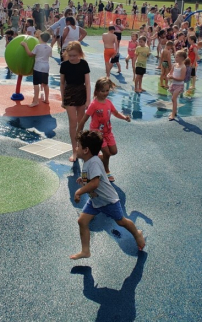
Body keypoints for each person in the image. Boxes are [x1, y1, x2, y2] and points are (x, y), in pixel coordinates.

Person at [70, 130, 145, 260]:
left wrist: (79, 191)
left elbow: (95, 184)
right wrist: (83, 180)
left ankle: (137, 234)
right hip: (96, 201)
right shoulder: (89, 162)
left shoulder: (93, 162)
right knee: (82, 221)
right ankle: (85, 251)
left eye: (78, 146)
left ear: (86, 150)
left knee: (121, 221)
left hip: (109, 201)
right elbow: (91, 179)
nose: (76, 148)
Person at [77, 78, 131, 182]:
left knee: (113, 152)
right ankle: (106, 171)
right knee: (106, 153)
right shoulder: (94, 104)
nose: (106, 93)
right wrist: (79, 133)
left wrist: (124, 117)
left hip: (107, 132)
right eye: (103, 91)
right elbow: (84, 119)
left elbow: (115, 113)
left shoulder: (109, 103)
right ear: (97, 90)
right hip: (97, 135)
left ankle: (98, 159)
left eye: (107, 90)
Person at [60, 41, 91, 162]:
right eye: (70, 55)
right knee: (73, 123)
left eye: (74, 55)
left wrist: (88, 99)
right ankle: (74, 150)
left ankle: (80, 147)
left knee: (80, 122)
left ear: (80, 53)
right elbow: (62, 83)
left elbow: (87, 83)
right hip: (69, 94)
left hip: (81, 93)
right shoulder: (64, 65)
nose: (72, 58)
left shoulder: (84, 64)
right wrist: (63, 99)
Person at [20, 32, 52, 107]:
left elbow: (30, 54)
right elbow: (49, 55)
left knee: (36, 84)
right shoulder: (49, 47)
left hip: (38, 67)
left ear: (40, 38)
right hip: (46, 67)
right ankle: (47, 99)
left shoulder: (38, 46)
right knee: (45, 84)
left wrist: (25, 45)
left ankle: (36, 101)